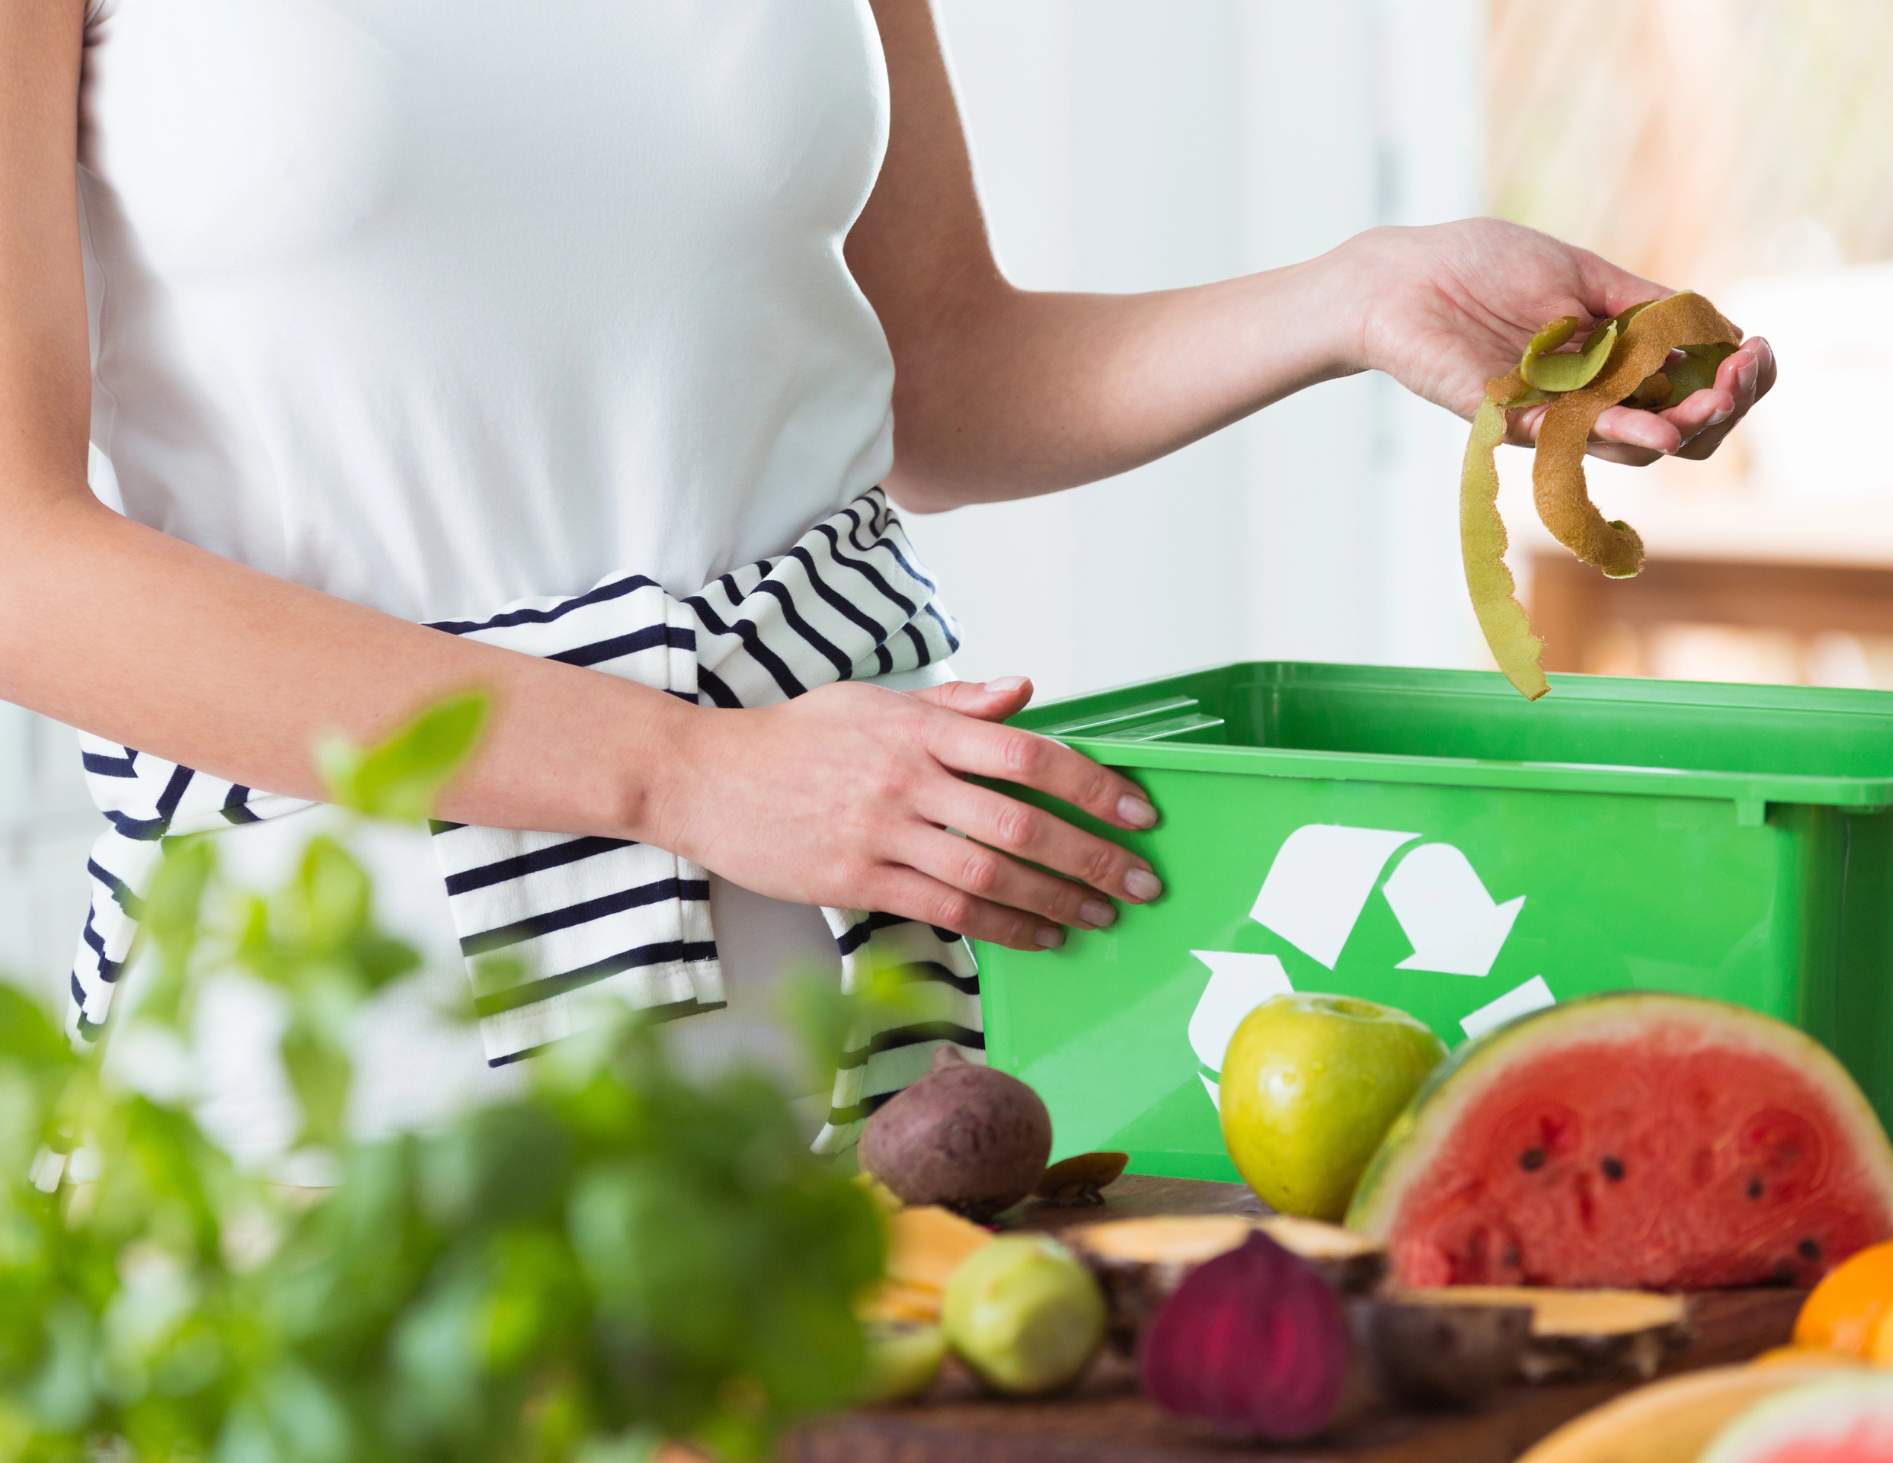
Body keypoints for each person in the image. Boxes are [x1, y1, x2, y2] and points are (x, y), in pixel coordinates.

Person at [0, 1, 1774, 1165]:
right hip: (355, 998)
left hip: (866, 947)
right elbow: (18, 553)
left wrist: (1348, 296)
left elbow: (928, 362)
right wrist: (678, 772)